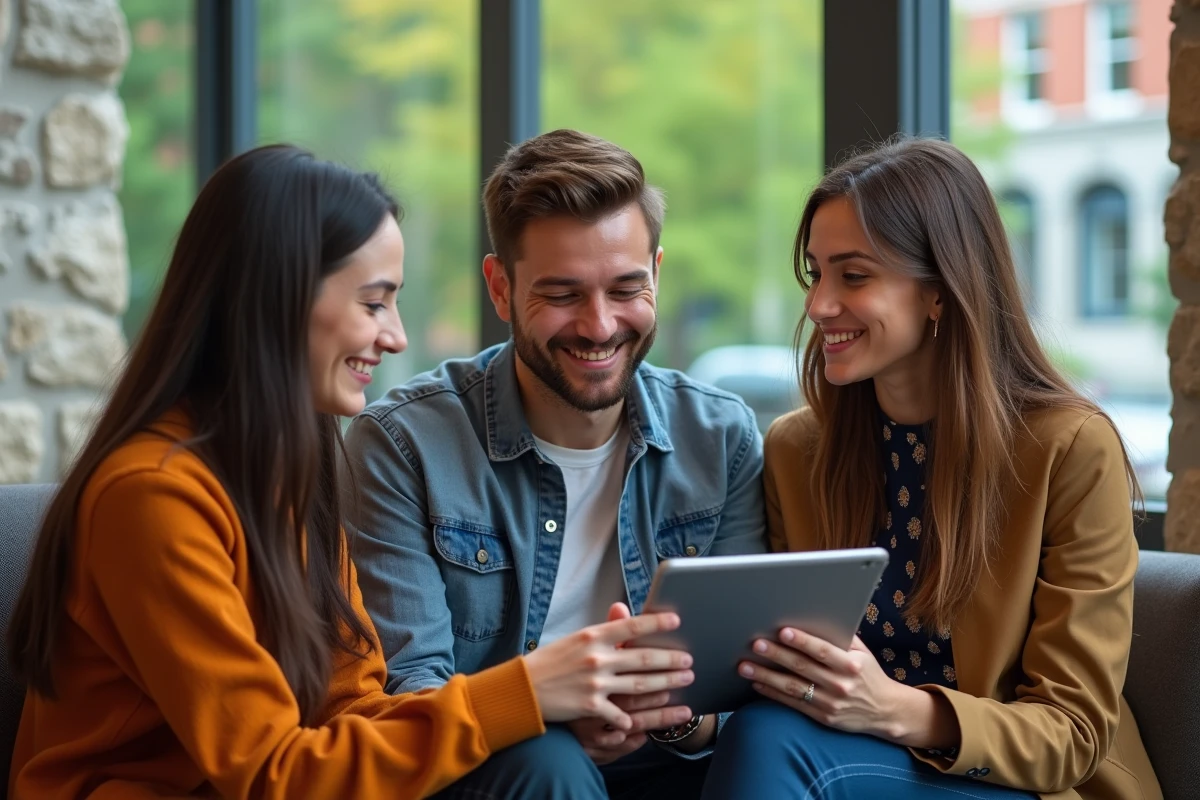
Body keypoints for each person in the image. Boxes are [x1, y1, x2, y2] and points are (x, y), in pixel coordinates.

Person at [5, 144, 697, 800]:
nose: (395, 335)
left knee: (541, 766)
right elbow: (275, 776)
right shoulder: (151, 497)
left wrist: (541, 706)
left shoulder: (286, 471)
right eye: (373, 302)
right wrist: (524, 691)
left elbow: (353, 703)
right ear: (277, 300)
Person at [700, 137, 1164, 800]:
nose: (819, 304)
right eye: (816, 273)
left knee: (770, 742)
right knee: (762, 732)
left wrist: (891, 709)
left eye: (853, 276)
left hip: (1022, 781)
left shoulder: (1068, 449)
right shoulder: (796, 451)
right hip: (843, 761)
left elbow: (1074, 734)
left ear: (940, 292)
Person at [343, 128, 767, 799]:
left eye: (626, 288)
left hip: (668, 766)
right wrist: (547, 709)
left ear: (657, 272)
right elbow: (411, 694)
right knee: (552, 764)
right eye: (563, 295)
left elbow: (739, 684)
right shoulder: (402, 446)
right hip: (497, 770)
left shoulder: (719, 437)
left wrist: (674, 723)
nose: (599, 326)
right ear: (501, 288)